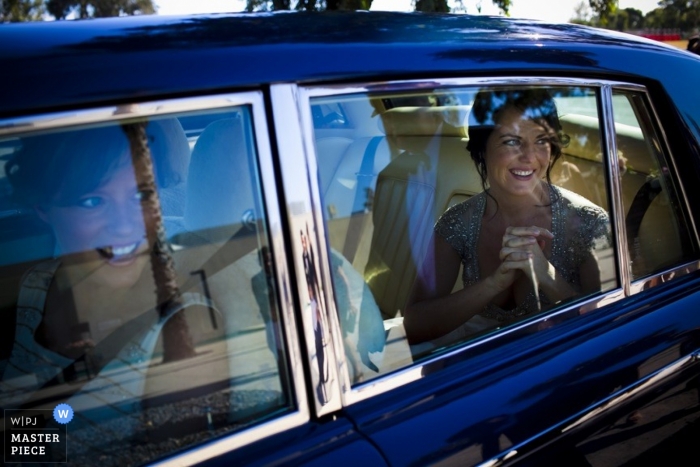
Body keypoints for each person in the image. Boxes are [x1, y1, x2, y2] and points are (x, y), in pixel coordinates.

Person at [0, 122, 221, 462]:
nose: (124, 224)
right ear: (42, 207)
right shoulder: (36, 286)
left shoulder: (181, 331)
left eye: (141, 195)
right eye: (92, 200)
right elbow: (22, 433)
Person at [404, 88, 610, 348]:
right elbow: (413, 327)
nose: (529, 156)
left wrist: (546, 275)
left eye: (541, 140)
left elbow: (609, 329)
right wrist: (493, 284)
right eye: (512, 141)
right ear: (482, 147)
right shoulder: (457, 222)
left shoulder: (589, 222)